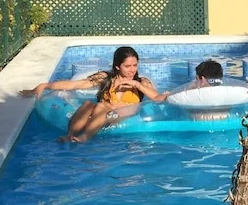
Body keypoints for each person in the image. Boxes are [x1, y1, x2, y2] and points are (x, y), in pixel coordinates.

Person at [21, 46, 161, 142]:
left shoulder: (141, 82)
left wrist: (136, 84)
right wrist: (45, 85)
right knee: (88, 104)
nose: (132, 70)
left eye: (135, 65)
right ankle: (70, 135)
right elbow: (75, 85)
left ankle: (85, 137)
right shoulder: (106, 78)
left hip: (123, 115)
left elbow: (157, 98)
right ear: (117, 66)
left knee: (100, 106)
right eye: (127, 66)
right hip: (103, 114)